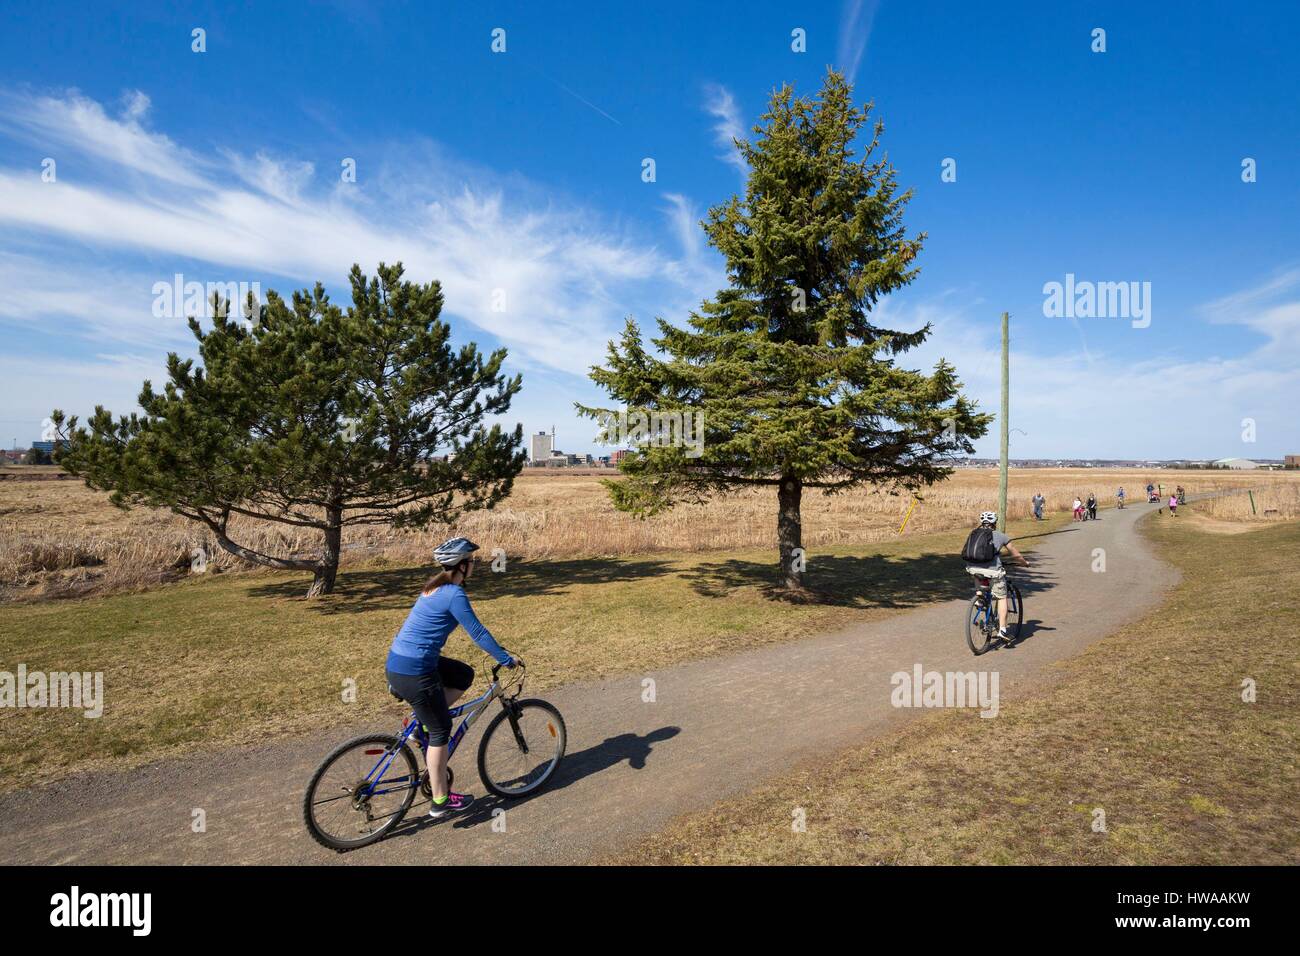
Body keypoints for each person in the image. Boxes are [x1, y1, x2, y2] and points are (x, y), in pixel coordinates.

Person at [385, 536, 515, 817]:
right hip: (416, 670)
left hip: (399, 664)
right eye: (473, 561)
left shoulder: (433, 588)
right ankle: (440, 800)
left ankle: (425, 721)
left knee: (463, 674)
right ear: (463, 565)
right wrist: (506, 659)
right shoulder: (454, 594)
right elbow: (478, 633)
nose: (475, 566)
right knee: (442, 730)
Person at [964, 511, 1028, 643]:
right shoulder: (1001, 536)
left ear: (982, 522)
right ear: (995, 523)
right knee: (1002, 597)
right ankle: (1002, 630)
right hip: (993, 572)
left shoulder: (974, 533)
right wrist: (1024, 562)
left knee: (979, 577)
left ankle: (979, 599)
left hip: (973, 568)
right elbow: (1015, 554)